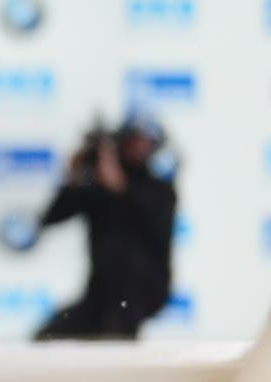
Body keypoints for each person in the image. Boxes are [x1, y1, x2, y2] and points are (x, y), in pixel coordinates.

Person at [32, 111, 176, 341]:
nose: (137, 147)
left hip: (141, 292)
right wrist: (74, 177)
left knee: (115, 337)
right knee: (46, 337)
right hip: (99, 294)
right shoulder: (97, 185)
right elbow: (54, 215)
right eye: (132, 140)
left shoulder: (159, 188)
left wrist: (119, 185)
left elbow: (152, 219)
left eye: (144, 142)